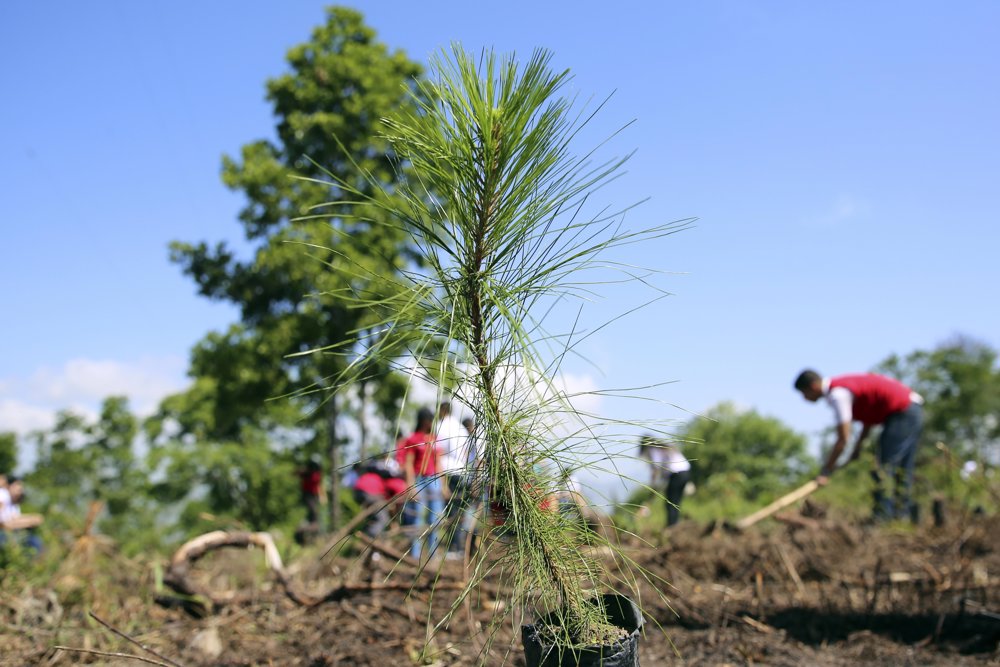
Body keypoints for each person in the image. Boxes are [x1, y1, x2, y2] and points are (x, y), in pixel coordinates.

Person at [794, 369, 924, 521]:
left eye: (804, 394)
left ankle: (883, 517)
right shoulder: (844, 389)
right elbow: (868, 419)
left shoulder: (838, 394)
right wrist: (857, 449)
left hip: (903, 410)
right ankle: (902, 515)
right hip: (911, 409)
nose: (805, 398)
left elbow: (842, 439)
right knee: (901, 468)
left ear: (813, 386)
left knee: (885, 468)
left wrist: (826, 470)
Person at [396, 407, 443, 559]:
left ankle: (432, 555)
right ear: (423, 420)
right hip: (419, 479)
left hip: (434, 480)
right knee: (416, 517)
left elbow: (438, 463)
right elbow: (408, 463)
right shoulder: (413, 439)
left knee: (434, 518)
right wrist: (411, 486)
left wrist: (444, 484)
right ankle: (415, 555)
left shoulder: (435, 439)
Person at [435, 401, 471, 555]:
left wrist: (442, 483)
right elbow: (466, 453)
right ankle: (458, 546)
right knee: (459, 512)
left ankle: (453, 548)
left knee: (450, 512)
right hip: (461, 472)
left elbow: (438, 454)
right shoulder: (461, 428)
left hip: (447, 472)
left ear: (442, 411)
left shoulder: (441, 426)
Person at [638, 435, 691, 527]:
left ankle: (672, 527)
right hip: (686, 472)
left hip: (676, 474)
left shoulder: (653, 449)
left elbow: (656, 469)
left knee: (670, 503)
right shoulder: (666, 446)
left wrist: (653, 487)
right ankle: (675, 525)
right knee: (676, 501)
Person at [297, 458, 324, 527]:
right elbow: (296, 473)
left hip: (314, 494)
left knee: (314, 510)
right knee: (312, 510)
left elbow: (317, 483)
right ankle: (311, 523)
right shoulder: (306, 473)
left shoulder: (316, 474)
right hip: (307, 494)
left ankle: (313, 523)